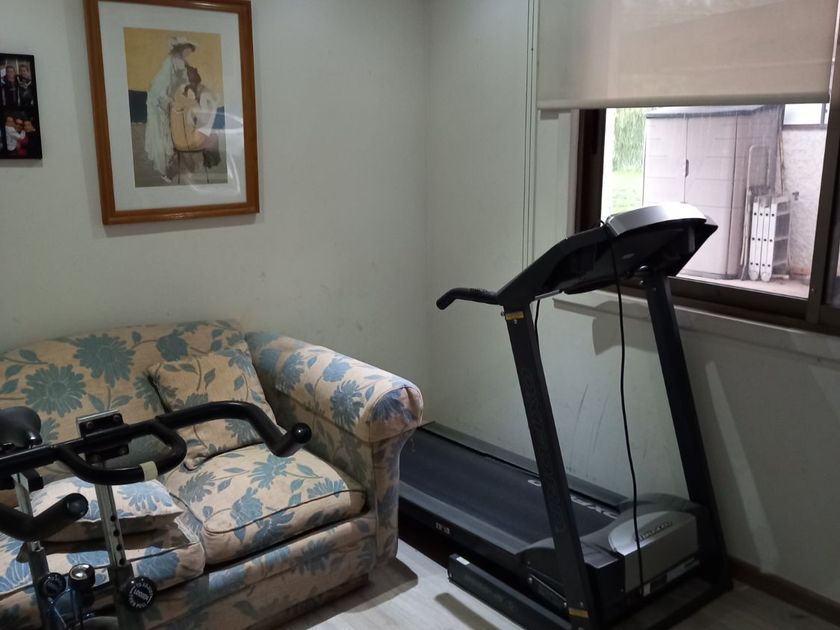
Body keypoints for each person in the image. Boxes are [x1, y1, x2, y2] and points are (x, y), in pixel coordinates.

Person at [144, 37, 195, 182]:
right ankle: (163, 171)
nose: (188, 53)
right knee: (161, 136)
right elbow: (159, 89)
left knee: (171, 134)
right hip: (157, 104)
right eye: (187, 49)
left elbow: (183, 83)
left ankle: (172, 167)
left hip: (169, 103)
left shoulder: (182, 63)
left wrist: (187, 93)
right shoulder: (168, 63)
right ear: (180, 48)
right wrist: (170, 100)